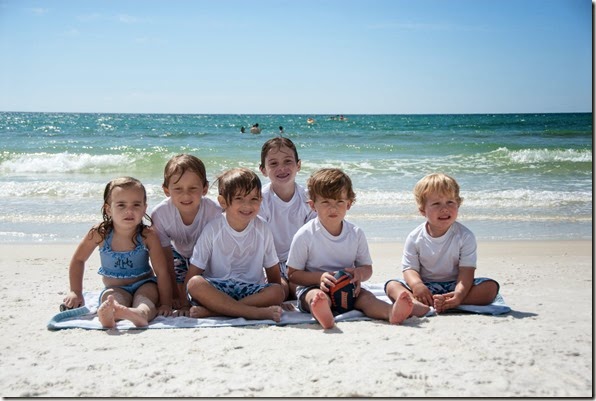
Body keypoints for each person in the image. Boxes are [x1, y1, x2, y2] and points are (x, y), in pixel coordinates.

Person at [287, 168, 413, 329]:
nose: (333, 208)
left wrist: (359, 274)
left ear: (349, 204)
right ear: (312, 205)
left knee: (367, 298)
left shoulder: (355, 233)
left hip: (348, 288)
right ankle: (324, 315)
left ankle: (391, 312)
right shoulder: (305, 235)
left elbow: (367, 268)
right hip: (315, 286)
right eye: (326, 202)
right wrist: (319, 278)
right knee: (316, 297)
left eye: (339, 201)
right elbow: (293, 274)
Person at [62, 177, 173, 328]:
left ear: (144, 208)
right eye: (121, 205)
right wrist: (75, 291)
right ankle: (111, 316)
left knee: (145, 298)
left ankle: (140, 314)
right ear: (108, 209)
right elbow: (78, 260)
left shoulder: (148, 235)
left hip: (144, 283)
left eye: (136, 204)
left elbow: (161, 271)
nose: (129, 210)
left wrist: (166, 303)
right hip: (115, 287)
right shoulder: (100, 233)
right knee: (112, 299)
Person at [385, 173, 500, 315]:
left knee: (490, 288)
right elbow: (409, 269)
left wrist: (459, 294)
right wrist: (417, 286)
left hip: (455, 285)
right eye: (436, 204)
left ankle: (450, 302)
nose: (444, 208)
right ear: (422, 210)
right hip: (425, 288)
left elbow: (466, 271)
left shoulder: (465, 236)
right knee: (392, 286)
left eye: (450, 202)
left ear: (458, 204)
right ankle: (417, 303)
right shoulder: (415, 237)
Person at [185, 168, 285, 322]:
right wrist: (185, 304)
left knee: (278, 291)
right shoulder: (213, 228)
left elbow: (272, 269)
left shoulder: (262, 228)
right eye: (239, 199)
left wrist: (279, 298)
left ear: (261, 200)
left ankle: (216, 311)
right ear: (223, 201)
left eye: (254, 199)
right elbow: (194, 272)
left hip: (250, 289)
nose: (248, 205)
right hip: (219, 288)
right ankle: (253, 312)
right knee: (195, 284)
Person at [150, 154, 222, 314]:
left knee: (201, 287)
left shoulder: (214, 211)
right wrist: (175, 294)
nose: (186, 195)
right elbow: (166, 257)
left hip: (207, 255)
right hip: (177, 253)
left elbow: (220, 251)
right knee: (178, 288)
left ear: (204, 189)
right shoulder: (161, 214)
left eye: (193, 188)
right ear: (166, 190)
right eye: (178, 189)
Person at [258, 137, 316, 302]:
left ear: (298, 165)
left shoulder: (308, 198)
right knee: (279, 289)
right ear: (263, 169)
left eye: (288, 161)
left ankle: (314, 303)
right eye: (273, 163)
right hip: (270, 265)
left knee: (300, 289)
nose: (281, 168)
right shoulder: (260, 199)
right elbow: (259, 242)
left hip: (299, 264)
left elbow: (313, 237)